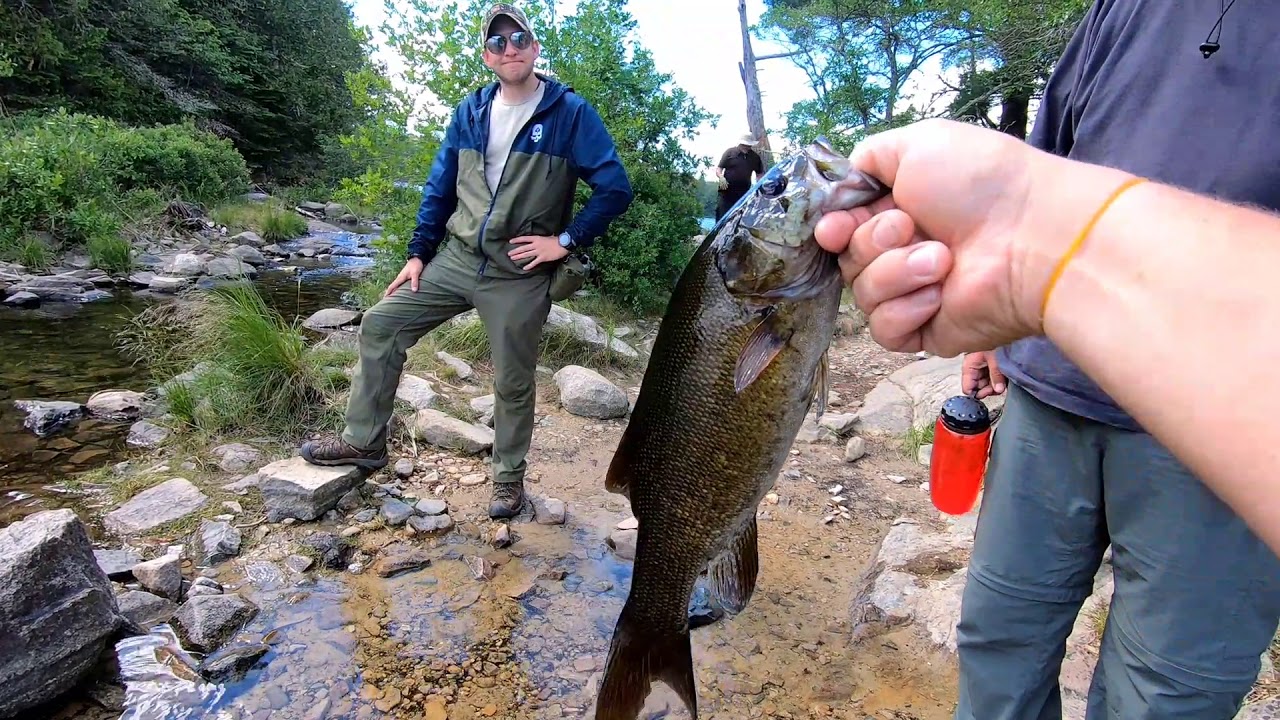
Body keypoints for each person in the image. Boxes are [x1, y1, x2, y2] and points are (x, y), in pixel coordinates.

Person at [818, 114, 1280, 717]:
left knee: (1163, 694)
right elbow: (1053, 146)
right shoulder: (1120, 15)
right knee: (998, 638)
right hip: (1047, 390)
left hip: (1221, 424)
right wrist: (1001, 304)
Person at [300, 2, 634, 520]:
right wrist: (417, 255)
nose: (510, 49)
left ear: (535, 47)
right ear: (487, 55)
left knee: (512, 380)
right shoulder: (471, 111)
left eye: (518, 38)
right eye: (498, 43)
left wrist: (565, 240)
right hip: (456, 258)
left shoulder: (570, 113)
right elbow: (439, 188)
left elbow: (615, 188)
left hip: (519, 273)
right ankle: (364, 442)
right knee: (381, 325)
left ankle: (507, 480)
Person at [713, 132, 765, 220]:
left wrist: (758, 185)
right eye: (744, 144)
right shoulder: (729, 152)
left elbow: (759, 174)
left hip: (743, 194)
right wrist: (721, 177)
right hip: (726, 192)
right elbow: (719, 168)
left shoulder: (755, 157)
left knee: (738, 218)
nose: (746, 147)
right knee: (722, 215)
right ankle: (717, 233)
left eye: (748, 145)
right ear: (740, 143)